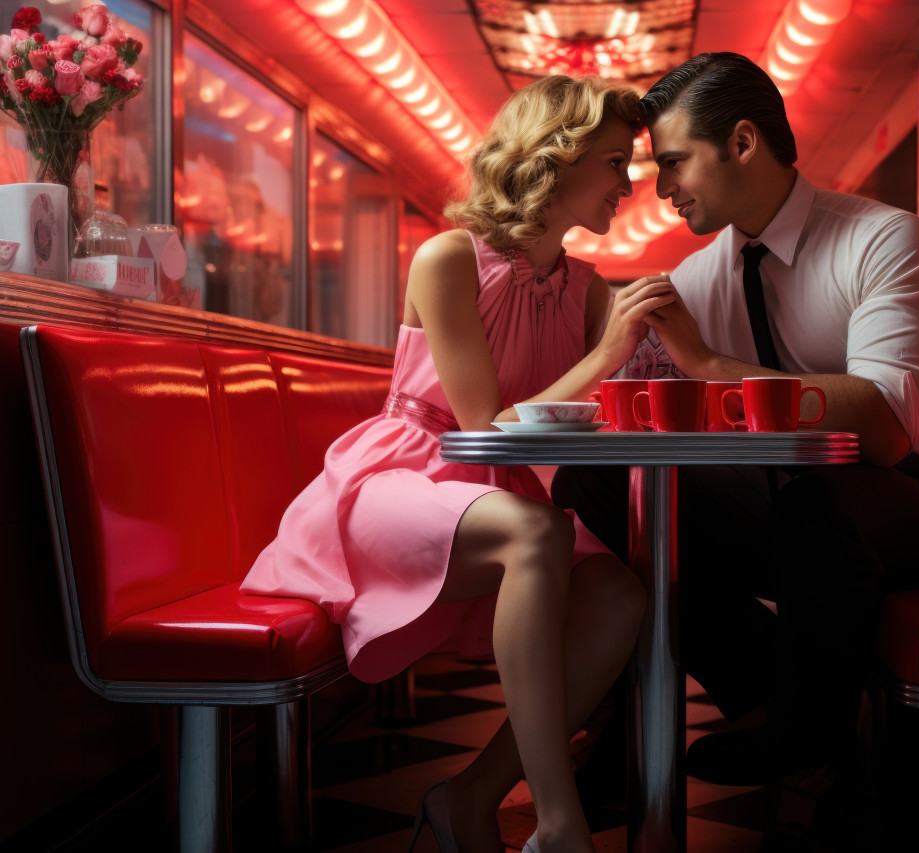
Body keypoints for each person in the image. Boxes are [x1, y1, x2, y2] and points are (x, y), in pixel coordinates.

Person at [241, 75, 677, 853]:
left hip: (498, 499)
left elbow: (620, 399)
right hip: (402, 477)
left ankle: (471, 794)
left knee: (619, 592)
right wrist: (612, 351)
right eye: (615, 162)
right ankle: (559, 821)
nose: (628, 183)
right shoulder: (448, 258)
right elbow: (481, 424)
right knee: (536, 532)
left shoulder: (584, 289)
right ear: (556, 157)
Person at [552, 52, 919, 808]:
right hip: (786, 507)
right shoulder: (695, 278)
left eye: (675, 161)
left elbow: (885, 429)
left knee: (819, 508)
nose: (661, 189)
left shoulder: (885, 241)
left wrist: (711, 363)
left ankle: (813, 741)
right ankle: (768, 684)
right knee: (602, 483)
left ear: (744, 142)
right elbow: (637, 409)